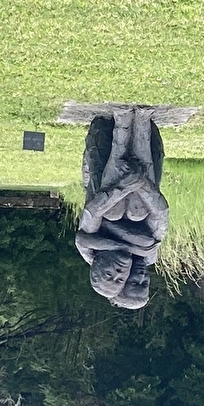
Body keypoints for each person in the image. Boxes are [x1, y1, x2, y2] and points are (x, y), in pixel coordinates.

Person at [76, 107, 168, 307]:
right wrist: (141, 182)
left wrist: (124, 186)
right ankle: (142, 122)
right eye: (145, 283)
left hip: (108, 185)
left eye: (134, 282)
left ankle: (123, 124)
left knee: (114, 212)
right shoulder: (149, 252)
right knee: (137, 212)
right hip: (143, 185)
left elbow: (92, 214)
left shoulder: (91, 249)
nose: (141, 277)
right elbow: (160, 213)